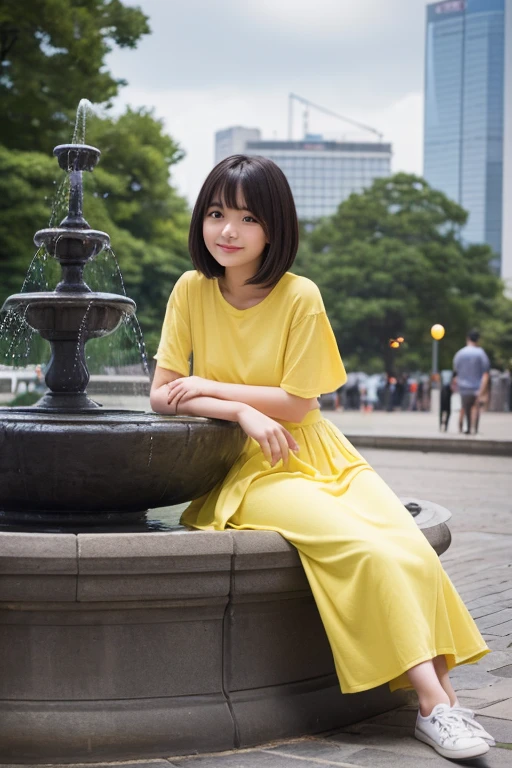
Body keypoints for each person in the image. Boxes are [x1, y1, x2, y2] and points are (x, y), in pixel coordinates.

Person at [150, 155, 494, 760]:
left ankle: (447, 698)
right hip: (247, 468)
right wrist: (241, 413)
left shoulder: (298, 295)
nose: (227, 230)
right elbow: (161, 394)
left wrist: (213, 390)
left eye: (246, 217)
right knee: (360, 548)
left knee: (407, 544)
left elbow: (300, 402)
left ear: (274, 227)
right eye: (215, 213)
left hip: (317, 452)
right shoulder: (191, 290)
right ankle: (433, 705)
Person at [453, 330, 490, 435]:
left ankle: (467, 427)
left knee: (465, 408)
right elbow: (485, 374)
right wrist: (483, 390)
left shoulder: (460, 354)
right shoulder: (481, 353)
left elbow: (456, 372)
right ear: (478, 340)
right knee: (476, 408)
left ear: (467, 339)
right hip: (477, 387)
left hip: (463, 387)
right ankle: (475, 429)